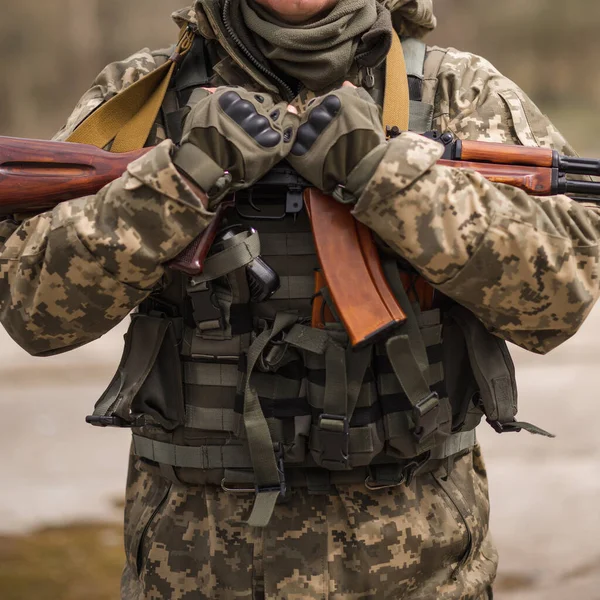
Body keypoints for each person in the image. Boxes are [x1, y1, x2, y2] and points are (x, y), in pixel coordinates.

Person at [1, 0, 599, 598]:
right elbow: (32, 310)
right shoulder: (145, 98)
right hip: (191, 573)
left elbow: (562, 293)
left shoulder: (455, 91)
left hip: (420, 574)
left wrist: (389, 180)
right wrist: (177, 182)